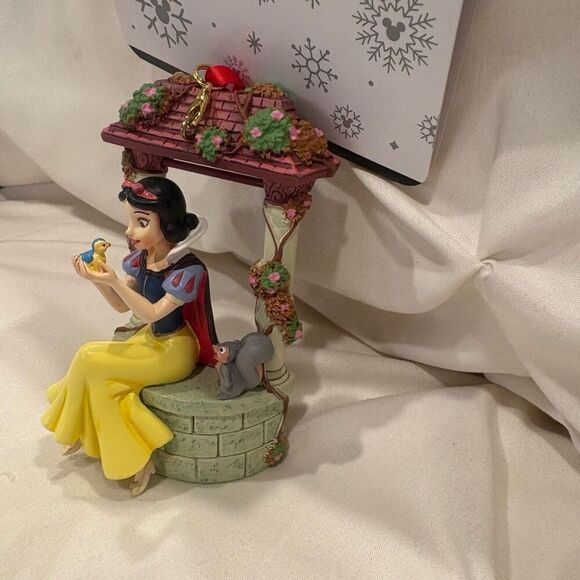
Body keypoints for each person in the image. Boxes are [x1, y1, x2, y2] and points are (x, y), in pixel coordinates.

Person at [41, 176, 218, 496]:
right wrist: (98, 281)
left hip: (175, 349)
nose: (129, 230)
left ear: (167, 223)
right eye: (130, 221)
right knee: (102, 379)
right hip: (151, 339)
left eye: (141, 222)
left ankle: (75, 426)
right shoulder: (141, 260)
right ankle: (129, 454)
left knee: (88, 357)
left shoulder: (186, 271)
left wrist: (113, 281)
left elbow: (152, 313)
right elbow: (122, 306)